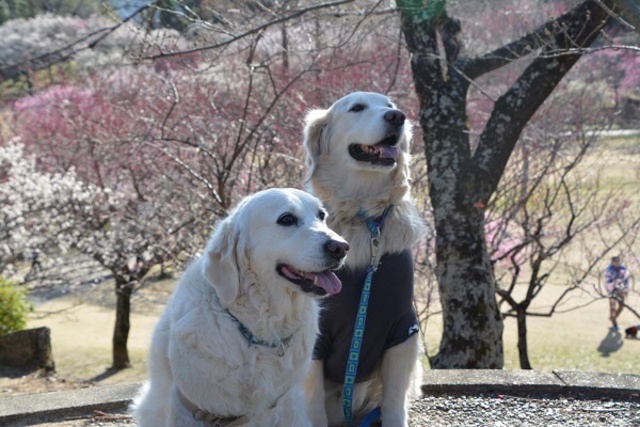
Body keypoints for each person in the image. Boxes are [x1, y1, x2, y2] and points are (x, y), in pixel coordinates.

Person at [604, 256, 630, 331]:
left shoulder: (623, 269)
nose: (617, 263)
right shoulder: (609, 270)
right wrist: (612, 288)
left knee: (621, 307)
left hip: (621, 290)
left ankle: (613, 318)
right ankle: (615, 324)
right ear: (612, 262)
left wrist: (626, 289)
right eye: (615, 261)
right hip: (612, 291)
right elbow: (608, 281)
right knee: (612, 307)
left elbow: (626, 280)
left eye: (618, 261)